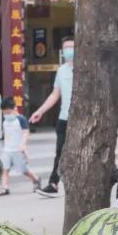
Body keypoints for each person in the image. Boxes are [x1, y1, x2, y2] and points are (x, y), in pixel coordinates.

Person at [29, 35, 74, 197]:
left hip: (81, 121)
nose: (69, 51)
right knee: (60, 153)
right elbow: (55, 95)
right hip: (64, 119)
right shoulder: (61, 71)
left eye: (72, 47)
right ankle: (53, 184)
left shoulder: (86, 69)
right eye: (66, 48)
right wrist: (40, 111)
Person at [0, 97, 39, 196]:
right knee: (4, 169)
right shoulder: (5, 121)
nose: (6, 115)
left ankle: (36, 179)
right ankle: (5, 188)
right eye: (4, 113)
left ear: (14, 109)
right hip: (7, 150)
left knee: (24, 170)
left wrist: (23, 145)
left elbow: (25, 133)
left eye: (8, 112)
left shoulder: (21, 120)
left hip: (17, 150)